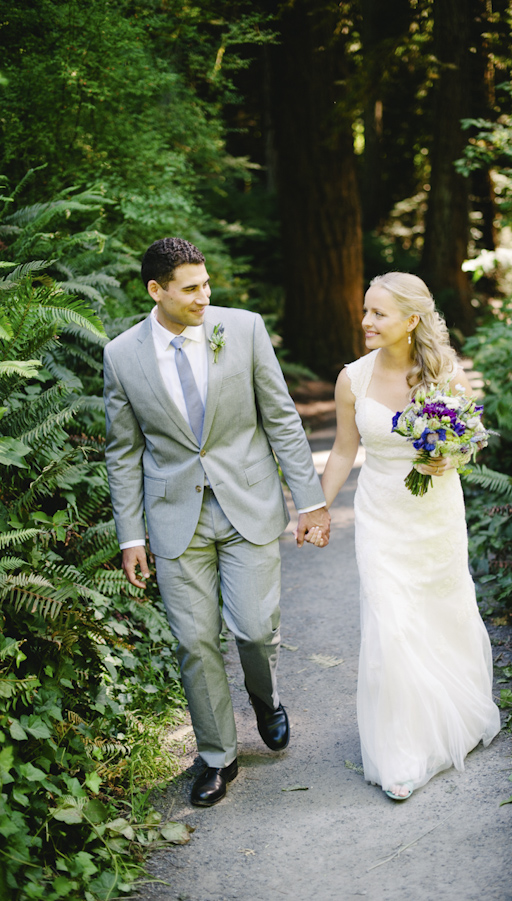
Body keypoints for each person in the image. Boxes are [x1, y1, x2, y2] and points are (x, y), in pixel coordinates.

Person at [103, 237, 330, 807]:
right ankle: (216, 756)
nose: (205, 296)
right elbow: (123, 451)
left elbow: (280, 417)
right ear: (156, 291)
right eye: (191, 289)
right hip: (174, 516)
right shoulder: (122, 355)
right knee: (194, 640)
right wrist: (131, 535)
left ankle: (265, 697)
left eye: (206, 284)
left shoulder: (244, 328)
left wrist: (311, 500)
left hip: (247, 504)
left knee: (254, 628)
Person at [307, 272, 500, 800]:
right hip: (380, 516)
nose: (366, 321)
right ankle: (401, 753)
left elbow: (471, 442)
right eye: (365, 311)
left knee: (440, 611)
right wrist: (319, 507)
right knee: (390, 623)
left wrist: (450, 456)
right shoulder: (353, 379)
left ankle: (450, 719)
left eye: (378, 314)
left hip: (435, 515)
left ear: (411, 320)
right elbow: (344, 450)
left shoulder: (443, 373)